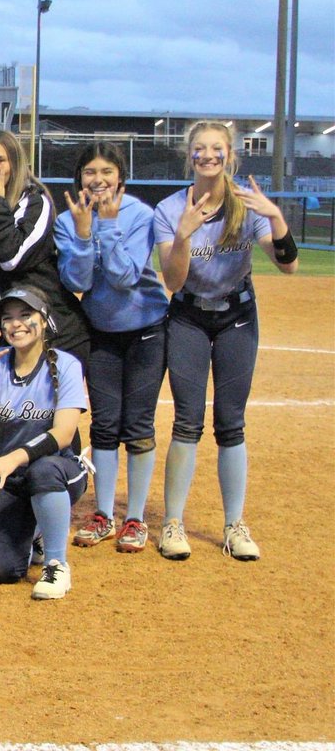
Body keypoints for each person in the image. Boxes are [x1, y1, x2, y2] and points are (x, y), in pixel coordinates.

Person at [153, 121, 298, 562]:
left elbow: (286, 265)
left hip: (237, 316)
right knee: (187, 420)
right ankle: (172, 523)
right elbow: (174, 282)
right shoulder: (171, 208)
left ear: (229, 155)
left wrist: (274, 216)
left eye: (217, 148)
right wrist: (183, 234)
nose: (208, 155)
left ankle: (235, 524)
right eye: (200, 149)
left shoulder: (245, 206)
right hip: (190, 317)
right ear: (189, 156)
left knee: (231, 421)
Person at [54, 142, 169, 553]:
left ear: (120, 176)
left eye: (107, 171)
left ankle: (134, 518)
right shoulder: (68, 221)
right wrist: (84, 233)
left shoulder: (139, 214)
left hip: (147, 330)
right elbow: (78, 282)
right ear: (79, 177)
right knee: (104, 426)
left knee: (137, 426)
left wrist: (107, 224)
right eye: (90, 171)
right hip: (100, 331)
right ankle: (103, 514)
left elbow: (123, 276)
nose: (98, 179)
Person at [0, 287, 89, 600]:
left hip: (59, 471)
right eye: (8, 318)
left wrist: (14, 458)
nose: (16, 324)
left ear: (44, 320)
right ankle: (35, 528)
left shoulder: (66, 364)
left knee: (43, 471)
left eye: (26, 315)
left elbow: (63, 434)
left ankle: (56, 563)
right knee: (1, 569)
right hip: (11, 482)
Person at [0, 130, 89, 363]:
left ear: (14, 164)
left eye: (0, 160)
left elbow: (10, 258)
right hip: (11, 334)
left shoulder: (35, 202)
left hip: (55, 336)